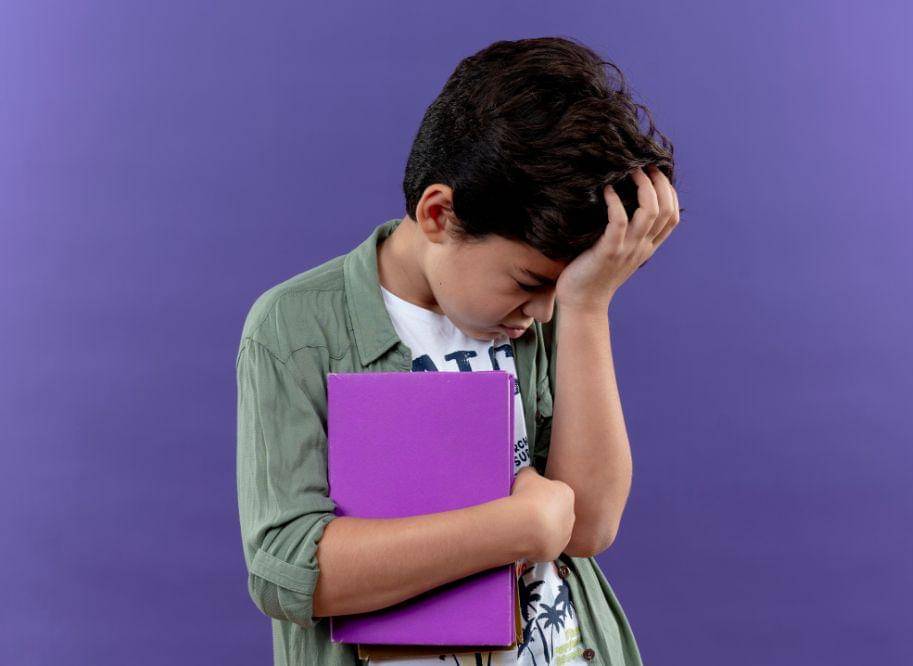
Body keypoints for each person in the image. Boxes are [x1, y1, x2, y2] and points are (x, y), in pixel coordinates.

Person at [236, 36, 682, 666]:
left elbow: (586, 528)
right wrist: (513, 530)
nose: (540, 313)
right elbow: (287, 571)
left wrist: (589, 306)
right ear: (439, 213)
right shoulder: (296, 327)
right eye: (529, 284)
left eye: (563, 290)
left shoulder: (548, 319)